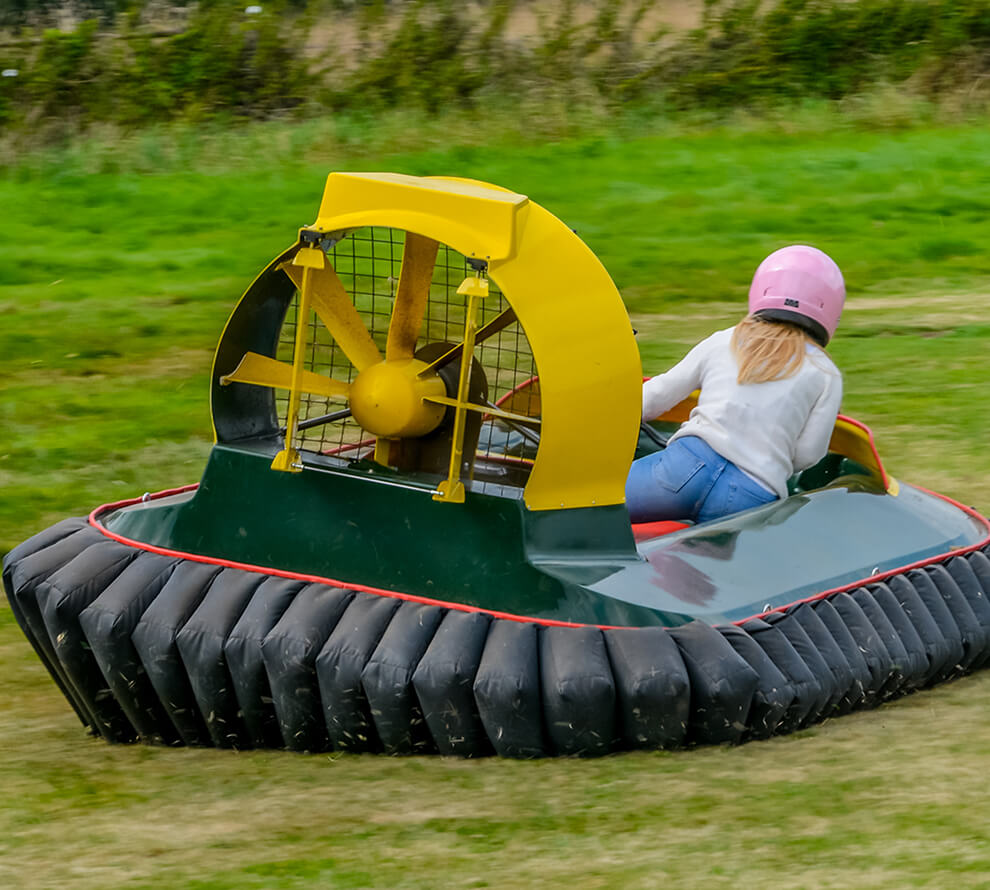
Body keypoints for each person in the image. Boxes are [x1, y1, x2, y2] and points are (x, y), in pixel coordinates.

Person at [626, 244, 845, 525]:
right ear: (830, 308)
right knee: (711, 566)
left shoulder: (725, 339)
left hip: (681, 469)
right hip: (752, 495)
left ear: (762, 289)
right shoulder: (826, 373)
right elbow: (808, 454)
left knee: (593, 507)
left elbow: (655, 397)